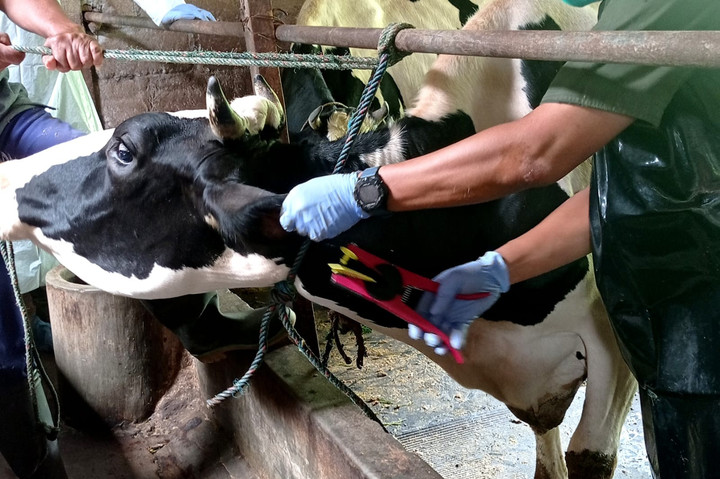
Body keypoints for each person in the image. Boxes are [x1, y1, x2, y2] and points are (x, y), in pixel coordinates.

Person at [278, 0, 720, 477]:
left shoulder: (661, 5)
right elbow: (621, 196)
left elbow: (537, 151)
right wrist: (501, 268)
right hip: (678, 331)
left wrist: (369, 190)